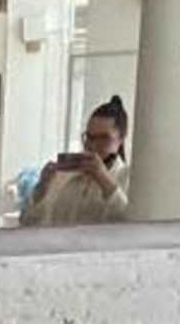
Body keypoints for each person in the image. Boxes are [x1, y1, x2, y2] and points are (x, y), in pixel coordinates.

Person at [25, 96, 134, 226]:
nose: (93, 145)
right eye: (90, 137)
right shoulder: (64, 176)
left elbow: (130, 225)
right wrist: (42, 188)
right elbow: (27, 223)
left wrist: (104, 180)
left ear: (121, 139)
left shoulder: (128, 178)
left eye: (104, 138)